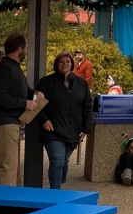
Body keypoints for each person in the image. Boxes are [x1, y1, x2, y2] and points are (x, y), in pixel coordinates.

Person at [35, 51, 93, 190]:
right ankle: (55, 193)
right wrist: (44, 120)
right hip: (53, 130)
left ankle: (60, 184)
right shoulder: (46, 82)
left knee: (64, 161)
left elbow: (87, 107)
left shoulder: (81, 83)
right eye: (61, 61)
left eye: (67, 61)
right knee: (57, 160)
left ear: (72, 64)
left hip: (73, 131)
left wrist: (86, 128)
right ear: (57, 64)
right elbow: (36, 103)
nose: (64, 64)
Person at [0, 34, 37, 186]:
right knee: (8, 169)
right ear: (19, 49)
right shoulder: (6, 68)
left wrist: (34, 94)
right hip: (4, 123)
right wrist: (24, 104)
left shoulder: (12, 68)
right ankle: (4, 206)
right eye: (26, 48)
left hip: (5, 123)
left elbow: (23, 90)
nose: (27, 51)